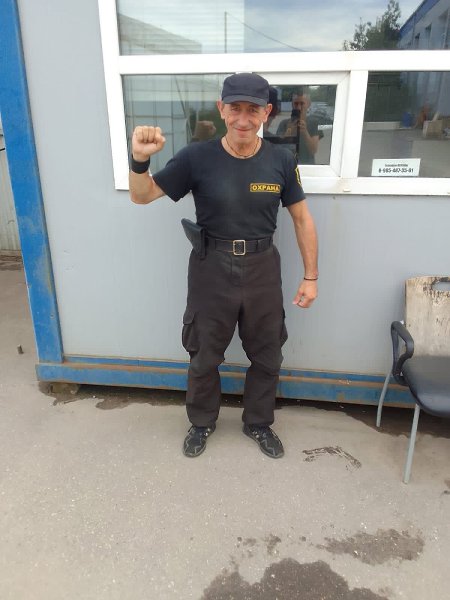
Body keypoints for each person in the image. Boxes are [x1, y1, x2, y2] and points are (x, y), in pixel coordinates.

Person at [129, 73, 318, 459]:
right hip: (211, 267)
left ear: (266, 112)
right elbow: (141, 196)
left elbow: (302, 219)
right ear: (221, 110)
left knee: (267, 353)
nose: (243, 119)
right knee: (204, 354)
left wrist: (310, 276)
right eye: (235, 109)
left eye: (253, 110)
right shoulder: (196, 157)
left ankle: (258, 422)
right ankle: (201, 423)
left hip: (263, 267)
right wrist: (140, 159)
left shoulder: (282, 160)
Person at [276, 89, 323, 164]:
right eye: (296, 103)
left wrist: (305, 132)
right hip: (287, 164)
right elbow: (278, 149)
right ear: (292, 104)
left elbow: (313, 150)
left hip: (307, 165)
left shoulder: (314, 123)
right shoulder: (284, 123)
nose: (298, 107)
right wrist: (289, 131)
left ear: (308, 104)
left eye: (302, 103)